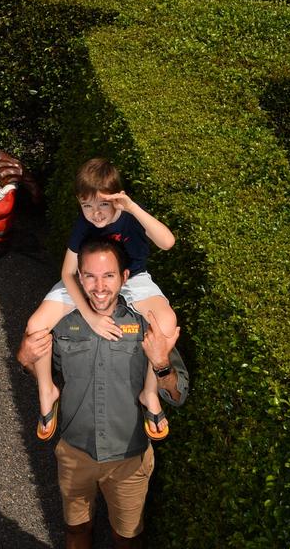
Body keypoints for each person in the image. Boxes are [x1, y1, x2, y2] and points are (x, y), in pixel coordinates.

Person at [16, 237, 189, 549]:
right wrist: (25, 355)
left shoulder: (147, 324)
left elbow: (177, 393)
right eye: (89, 276)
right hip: (75, 452)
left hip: (129, 457)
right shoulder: (64, 322)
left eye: (108, 275)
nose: (98, 286)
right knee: (77, 526)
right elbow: (38, 363)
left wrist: (162, 364)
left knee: (127, 537)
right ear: (78, 278)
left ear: (124, 278)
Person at [22, 158, 178, 443]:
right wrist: (91, 318)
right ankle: (48, 390)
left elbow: (167, 242)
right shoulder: (84, 223)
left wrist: (130, 207)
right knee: (36, 325)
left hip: (133, 277)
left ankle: (150, 393)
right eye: (86, 206)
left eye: (102, 205)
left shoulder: (131, 215)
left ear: (117, 198)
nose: (94, 214)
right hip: (89, 277)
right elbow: (68, 273)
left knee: (166, 323)